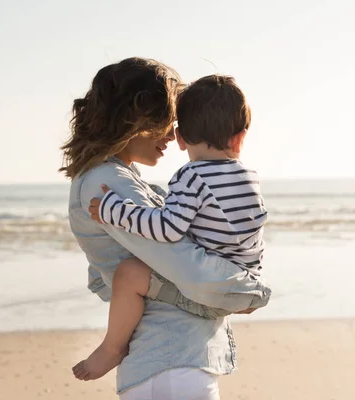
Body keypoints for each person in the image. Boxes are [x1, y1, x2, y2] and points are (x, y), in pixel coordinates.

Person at [61, 57, 271, 400]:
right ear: (136, 119)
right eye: (168, 122)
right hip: (170, 363)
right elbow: (188, 266)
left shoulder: (117, 179)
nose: (174, 137)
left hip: (171, 363)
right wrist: (246, 291)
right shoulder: (108, 183)